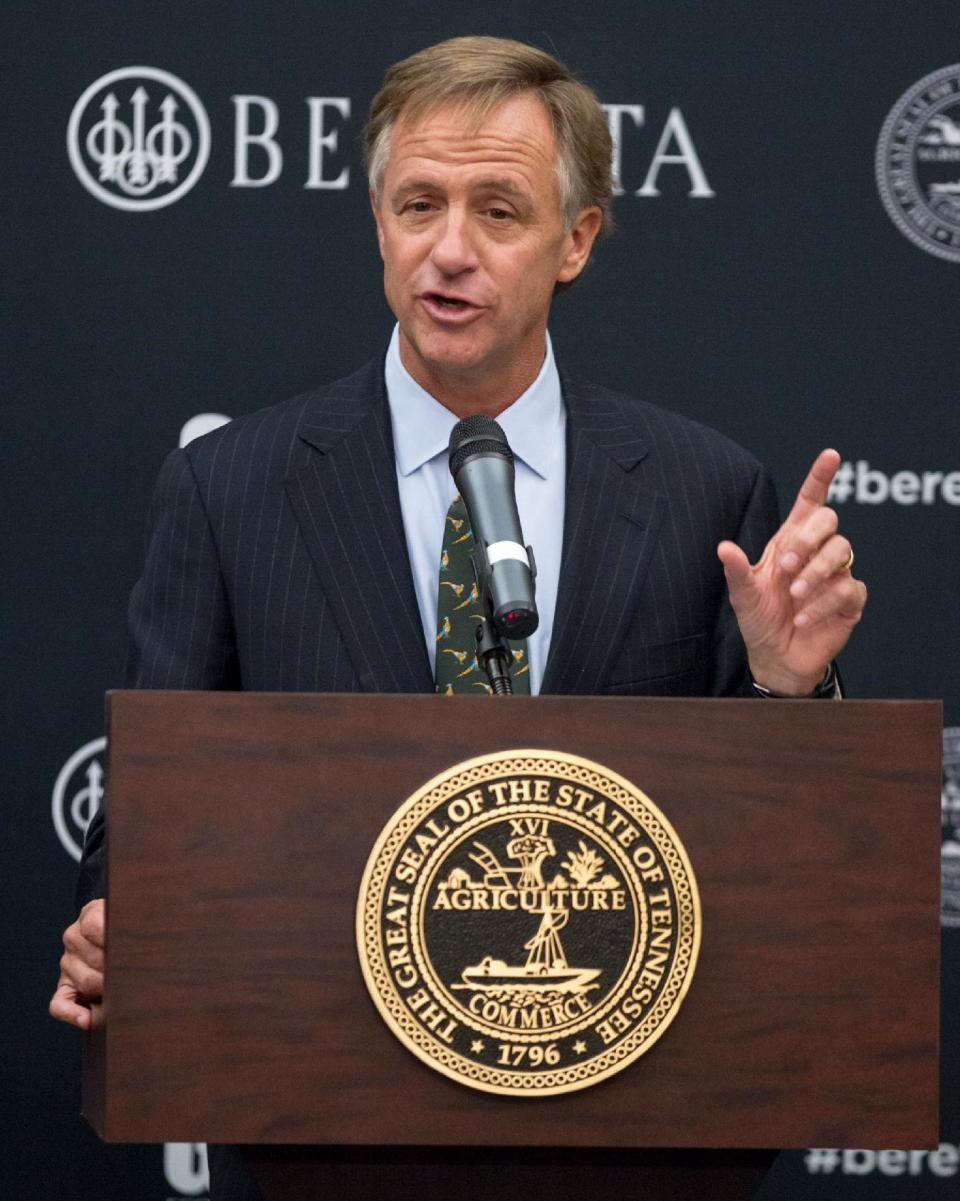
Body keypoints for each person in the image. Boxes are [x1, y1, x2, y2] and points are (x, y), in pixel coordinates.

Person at [49, 35, 867, 1199]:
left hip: (640, 1135)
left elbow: (788, 865)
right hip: (337, 1127)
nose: (449, 250)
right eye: (418, 203)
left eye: (498, 210)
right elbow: (152, 788)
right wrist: (109, 908)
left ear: (575, 240)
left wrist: (792, 690)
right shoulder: (229, 488)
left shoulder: (704, 489)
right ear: (378, 221)